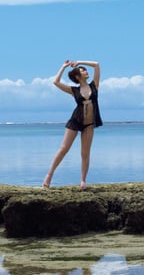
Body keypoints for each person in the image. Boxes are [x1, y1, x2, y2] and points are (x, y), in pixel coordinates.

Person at [42, 59, 102, 189]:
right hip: (75, 122)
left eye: (85, 70)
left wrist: (79, 62)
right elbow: (56, 82)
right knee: (64, 149)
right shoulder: (74, 90)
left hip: (89, 124)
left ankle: (83, 181)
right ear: (77, 76)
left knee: (85, 153)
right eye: (82, 70)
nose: (86, 71)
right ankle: (49, 176)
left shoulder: (94, 85)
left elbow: (96, 64)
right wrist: (63, 67)